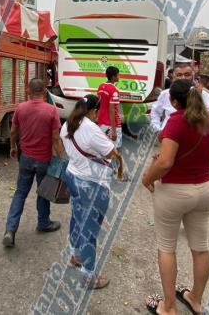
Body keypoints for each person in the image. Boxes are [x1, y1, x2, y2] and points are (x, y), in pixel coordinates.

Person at [142, 80, 209, 315]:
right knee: (200, 248)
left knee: (167, 248)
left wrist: (147, 178)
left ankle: (169, 307)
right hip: (204, 188)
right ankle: (195, 299)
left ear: (174, 102)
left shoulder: (176, 120)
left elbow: (165, 162)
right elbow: (205, 152)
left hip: (175, 191)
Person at [61, 95, 121, 289]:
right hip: (91, 183)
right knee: (90, 229)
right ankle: (88, 276)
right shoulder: (91, 129)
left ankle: (75, 255)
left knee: (77, 217)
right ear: (94, 110)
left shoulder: (68, 124)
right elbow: (113, 153)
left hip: (72, 175)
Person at [3, 78, 64, 248]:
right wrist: (62, 158)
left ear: (28, 91)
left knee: (20, 193)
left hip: (26, 159)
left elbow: (14, 130)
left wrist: (13, 147)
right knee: (43, 192)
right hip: (44, 160)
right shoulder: (52, 111)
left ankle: (10, 230)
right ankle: (43, 223)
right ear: (45, 91)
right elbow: (56, 138)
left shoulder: (21, 108)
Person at [151, 63, 209, 132]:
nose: (183, 78)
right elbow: (155, 111)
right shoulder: (165, 94)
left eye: (187, 75)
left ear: (193, 76)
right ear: (173, 77)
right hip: (168, 134)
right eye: (179, 75)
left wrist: (199, 98)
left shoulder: (203, 95)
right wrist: (158, 129)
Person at [97, 66, 122, 151]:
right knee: (115, 150)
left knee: (103, 149)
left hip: (101, 123)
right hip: (112, 125)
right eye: (118, 75)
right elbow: (112, 110)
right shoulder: (114, 90)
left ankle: (104, 164)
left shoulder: (100, 86)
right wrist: (114, 131)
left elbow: (99, 104)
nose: (119, 77)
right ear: (113, 77)